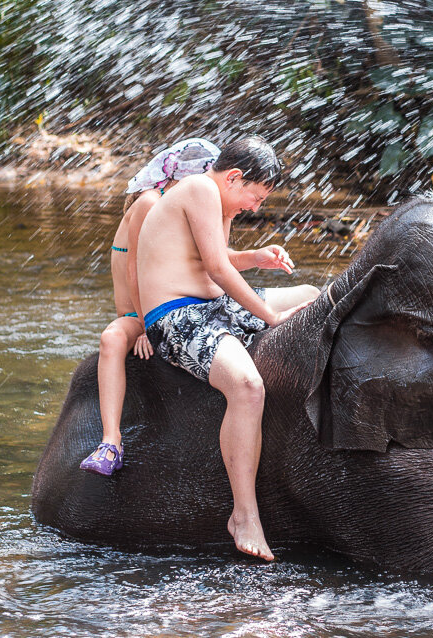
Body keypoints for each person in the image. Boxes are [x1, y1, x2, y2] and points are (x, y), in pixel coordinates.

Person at [136, 135, 318, 560]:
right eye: (254, 196)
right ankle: (244, 514)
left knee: (311, 295)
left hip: (213, 305)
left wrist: (255, 257)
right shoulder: (199, 188)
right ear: (234, 177)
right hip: (177, 317)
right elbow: (215, 266)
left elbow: (211, 259)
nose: (255, 207)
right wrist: (271, 318)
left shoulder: (217, 199)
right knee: (247, 387)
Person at [80, 137, 222, 475]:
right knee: (112, 339)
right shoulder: (148, 203)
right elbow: (135, 271)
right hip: (141, 311)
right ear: (179, 177)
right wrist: (145, 325)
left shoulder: (181, 207)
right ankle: (110, 442)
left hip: (175, 303)